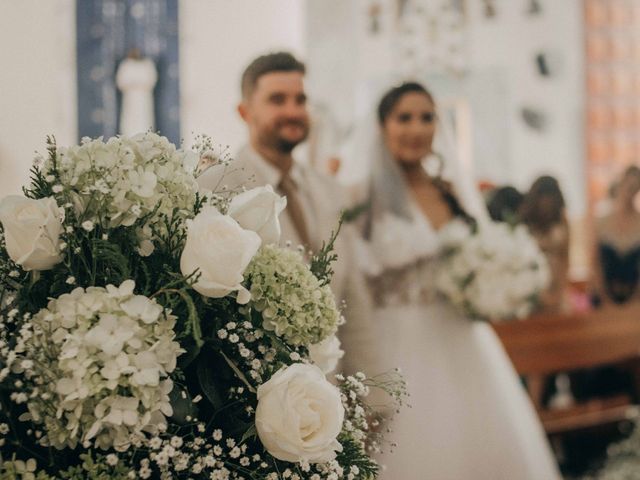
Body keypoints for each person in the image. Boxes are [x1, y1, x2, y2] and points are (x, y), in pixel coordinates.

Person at [362, 82, 561, 479]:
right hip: (392, 344)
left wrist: (495, 283)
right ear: (383, 125)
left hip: (461, 337)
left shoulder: (451, 192)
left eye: (427, 117)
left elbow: (481, 253)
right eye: (404, 118)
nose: (417, 128)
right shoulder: (361, 198)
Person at [197, 52, 377, 376]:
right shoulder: (216, 188)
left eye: (300, 99)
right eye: (277, 100)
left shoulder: (331, 191)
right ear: (244, 111)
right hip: (251, 392)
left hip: (330, 391)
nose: (293, 111)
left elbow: (353, 298)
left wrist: (374, 399)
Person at [520, 175, 570, 313]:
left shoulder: (561, 219)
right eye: (543, 199)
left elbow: (565, 257)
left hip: (556, 285)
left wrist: (559, 291)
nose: (546, 204)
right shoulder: (525, 222)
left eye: (550, 199)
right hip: (530, 287)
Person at [592, 165, 640, 304]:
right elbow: (595, 263)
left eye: (635, 188)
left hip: (635, 298)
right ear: (621, 183)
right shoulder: (601, 221)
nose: (630, 192)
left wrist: (636, 299)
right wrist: (604, 298)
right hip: (604, 296)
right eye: (629, 186)